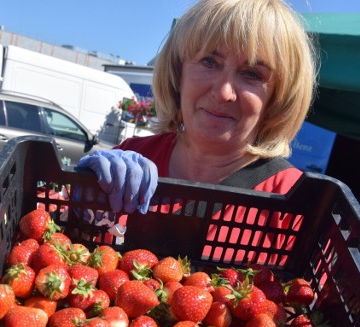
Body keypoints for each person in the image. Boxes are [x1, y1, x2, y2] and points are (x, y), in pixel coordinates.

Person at [76, 0, 317, 215]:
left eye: (252, 74)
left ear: (278, 97)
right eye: (209, 62)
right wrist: (78, 198)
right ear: (178, 72)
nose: (223, 92)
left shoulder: (295, 204)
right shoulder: (128, 160)